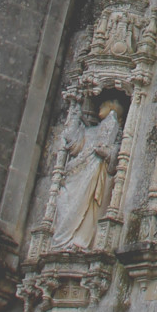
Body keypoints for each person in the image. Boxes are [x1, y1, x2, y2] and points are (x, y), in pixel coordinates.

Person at [51, 96, 125, 251]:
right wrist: (75, 112)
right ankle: (63, 241)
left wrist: (105, 152)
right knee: (63, 199)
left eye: (105, 103)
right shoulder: (90, 131)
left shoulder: (113, 130)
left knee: (86, 205)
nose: (100, 106)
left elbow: (112, 158)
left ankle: (79, 240)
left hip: (92, 173)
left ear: (113, 108)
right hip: (76, 173)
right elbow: (73, 143)